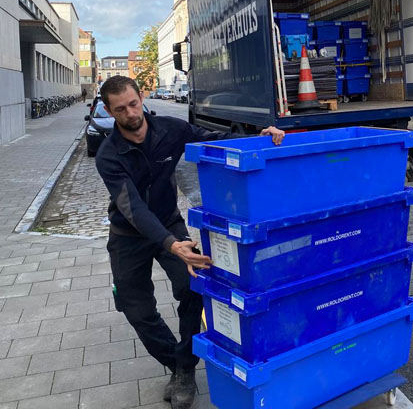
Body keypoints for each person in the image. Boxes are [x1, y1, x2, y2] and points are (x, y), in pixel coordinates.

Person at [94, 75, 284, 409]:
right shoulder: (109, 155)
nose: (130, 113)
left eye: (133, 103)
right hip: (129, 235)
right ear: (110, 112)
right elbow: (132, 207)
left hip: (169, 222)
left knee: (193, 288)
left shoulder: (171, 129)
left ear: (141, 97)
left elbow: (214, 140)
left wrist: (258, 137)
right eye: (121, 109)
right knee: (135, 308)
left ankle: (184, 369)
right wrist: (170, 244)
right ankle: (176, 361)